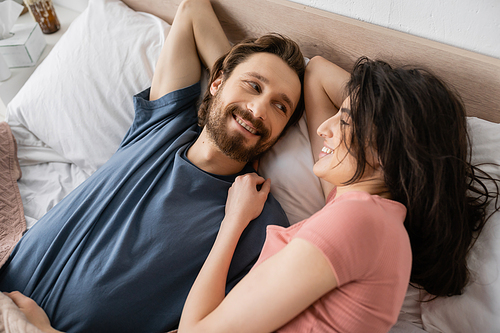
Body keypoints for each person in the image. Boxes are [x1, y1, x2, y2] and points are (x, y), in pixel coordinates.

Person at [8, 54, 500, 332]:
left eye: (346, 121)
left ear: (386, 147)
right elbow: (315, 73)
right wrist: (381, 115)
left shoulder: (360, 224)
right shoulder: (358, 214)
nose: (325, 127)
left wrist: (231, 224)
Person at [0, 0, 306, 331]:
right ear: (216, 81)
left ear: (281, 133)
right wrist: (232, 90)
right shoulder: (165, 125)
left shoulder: (261, 219)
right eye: (254, 85)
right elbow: (192, 10)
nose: (260, 109)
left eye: (279, 106)